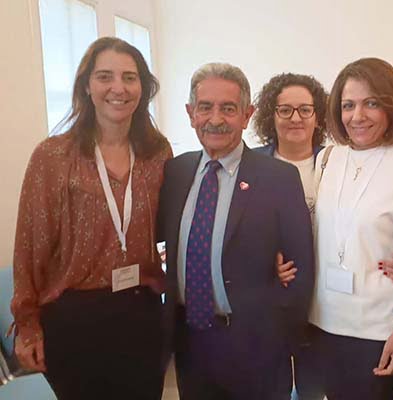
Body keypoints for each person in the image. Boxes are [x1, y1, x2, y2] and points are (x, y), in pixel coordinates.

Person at [12, 37, 171, 399]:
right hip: (75, 319)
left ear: (143, 87)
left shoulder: (157, 153)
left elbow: (176, 224)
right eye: (104, 77)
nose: (118, 88)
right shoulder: (53, 156)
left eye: (129, 77)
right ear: (86, 85)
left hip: (141, 313)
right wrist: (27, 325)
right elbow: (29, 249)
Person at [157, 62, 315, 399]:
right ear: (190, 113)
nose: (215, 119)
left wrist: (283, 337)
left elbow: (301, 267)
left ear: (247, 115)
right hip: (191, 344)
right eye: (205, 107)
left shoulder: (279, 178)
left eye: (228, 108)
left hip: (258, 348)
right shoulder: (175, 172)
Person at [296, 57, 393, 399]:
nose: (358, 116)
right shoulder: (327, 159)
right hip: (321, 321)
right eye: (348, 105)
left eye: (371, 103)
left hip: (378, 327)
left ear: (391, 106)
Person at [252, 73, 328, 213]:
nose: (295, 119)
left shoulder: (334, 164)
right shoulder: (250, 163)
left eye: (305, 110)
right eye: (285, 110)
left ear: (317, 119)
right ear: (271, 118)